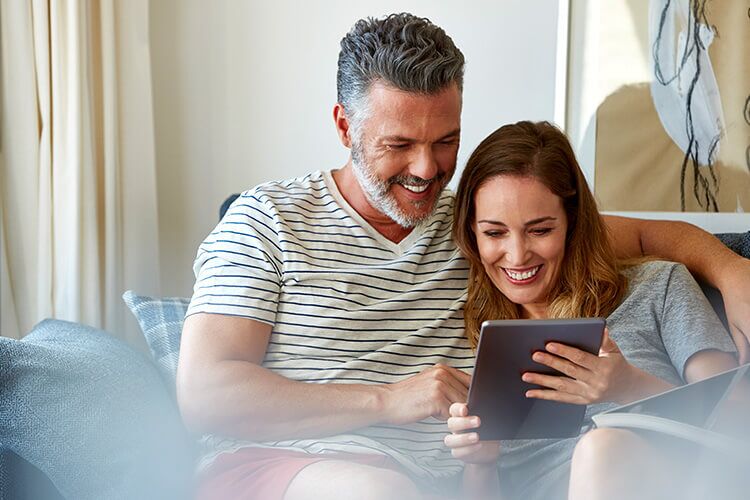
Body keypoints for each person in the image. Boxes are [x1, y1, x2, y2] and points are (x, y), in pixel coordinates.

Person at [176, 13, 750, 500]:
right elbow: (206, 394)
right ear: (345, 126)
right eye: (399, 145)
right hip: (287, 466)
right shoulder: (268, 219)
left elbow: (621, 238)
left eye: (445, 141)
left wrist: (732, 269)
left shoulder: (474, 228)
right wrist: (389, 399)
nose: (426, 169)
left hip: (436, 482)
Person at [445, 120, 739, 500]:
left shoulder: (658, 287)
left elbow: (731, 425)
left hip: (658, 482)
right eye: (494, 233)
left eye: (540, 230)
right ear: (472, 233)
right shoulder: (466, 333)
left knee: (602, 449)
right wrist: (480, 464)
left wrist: (629, 386)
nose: (517, 256)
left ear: (572, 223)